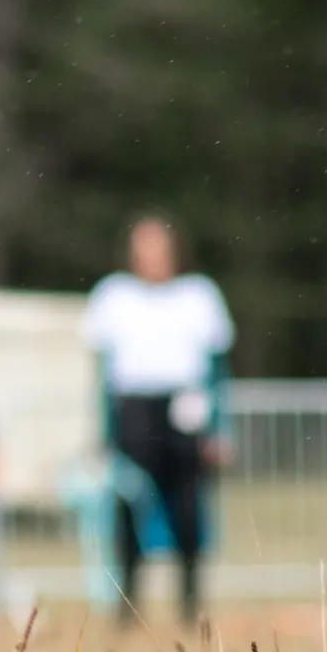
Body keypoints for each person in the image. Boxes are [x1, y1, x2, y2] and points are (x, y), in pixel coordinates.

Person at [82, 215, 234, 624]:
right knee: (129, 508)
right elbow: (100, 375)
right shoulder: (113, 297)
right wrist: (103, 432)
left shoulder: (199, 296)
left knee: (188, 507)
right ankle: (128, 606)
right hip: (132, 411)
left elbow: (218, 370)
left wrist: (221, 427)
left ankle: (189, 603)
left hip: (185, 408)